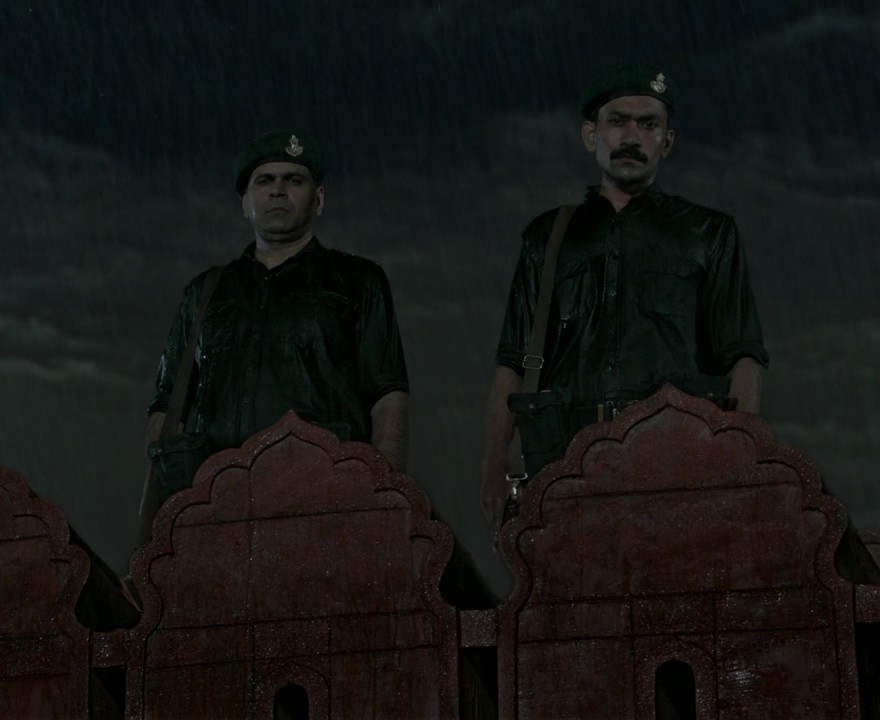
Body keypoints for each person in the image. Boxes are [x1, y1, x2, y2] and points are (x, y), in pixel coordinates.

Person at [479, 63, 769, 530]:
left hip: (677, 458)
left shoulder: (708, 233)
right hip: (563, 461)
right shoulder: (547, 238)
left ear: (666, 142)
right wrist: (494, 466)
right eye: (617, 121)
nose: (632, 137)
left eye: (648, 124)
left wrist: (742, 458)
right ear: (590, 135)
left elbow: (742, 356)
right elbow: (514, 361)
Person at [141, 129, 410, 537]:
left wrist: (384, 502)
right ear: (244, 203)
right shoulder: (204, 292)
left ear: (318, 200)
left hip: (325, 504)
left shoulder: (358, 281)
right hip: (213, 510)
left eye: (294, 180)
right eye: (264, 181)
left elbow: (387, 397)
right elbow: (167, 409)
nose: (278, 190)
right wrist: (155, 525)